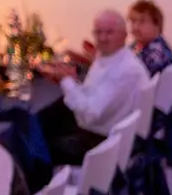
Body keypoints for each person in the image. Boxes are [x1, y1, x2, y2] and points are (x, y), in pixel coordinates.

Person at [34, 10, 150, 165]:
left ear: (124, 35)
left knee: (36, 147)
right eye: (98, 32)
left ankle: (55, 187)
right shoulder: (110, 57)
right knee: (48, 122)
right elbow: (94, 94)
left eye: (109, 32)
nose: (102, 38)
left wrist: (67, 81)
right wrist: (71, 81)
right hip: (106, 131)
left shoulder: (124, 70)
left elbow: (91, 113)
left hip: (104, 144)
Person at [126, 0, 172, 76]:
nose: (135, 27)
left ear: (156, 25)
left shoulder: (156, 55)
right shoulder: (137, 44)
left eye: (142, 21)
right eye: (133, 21)